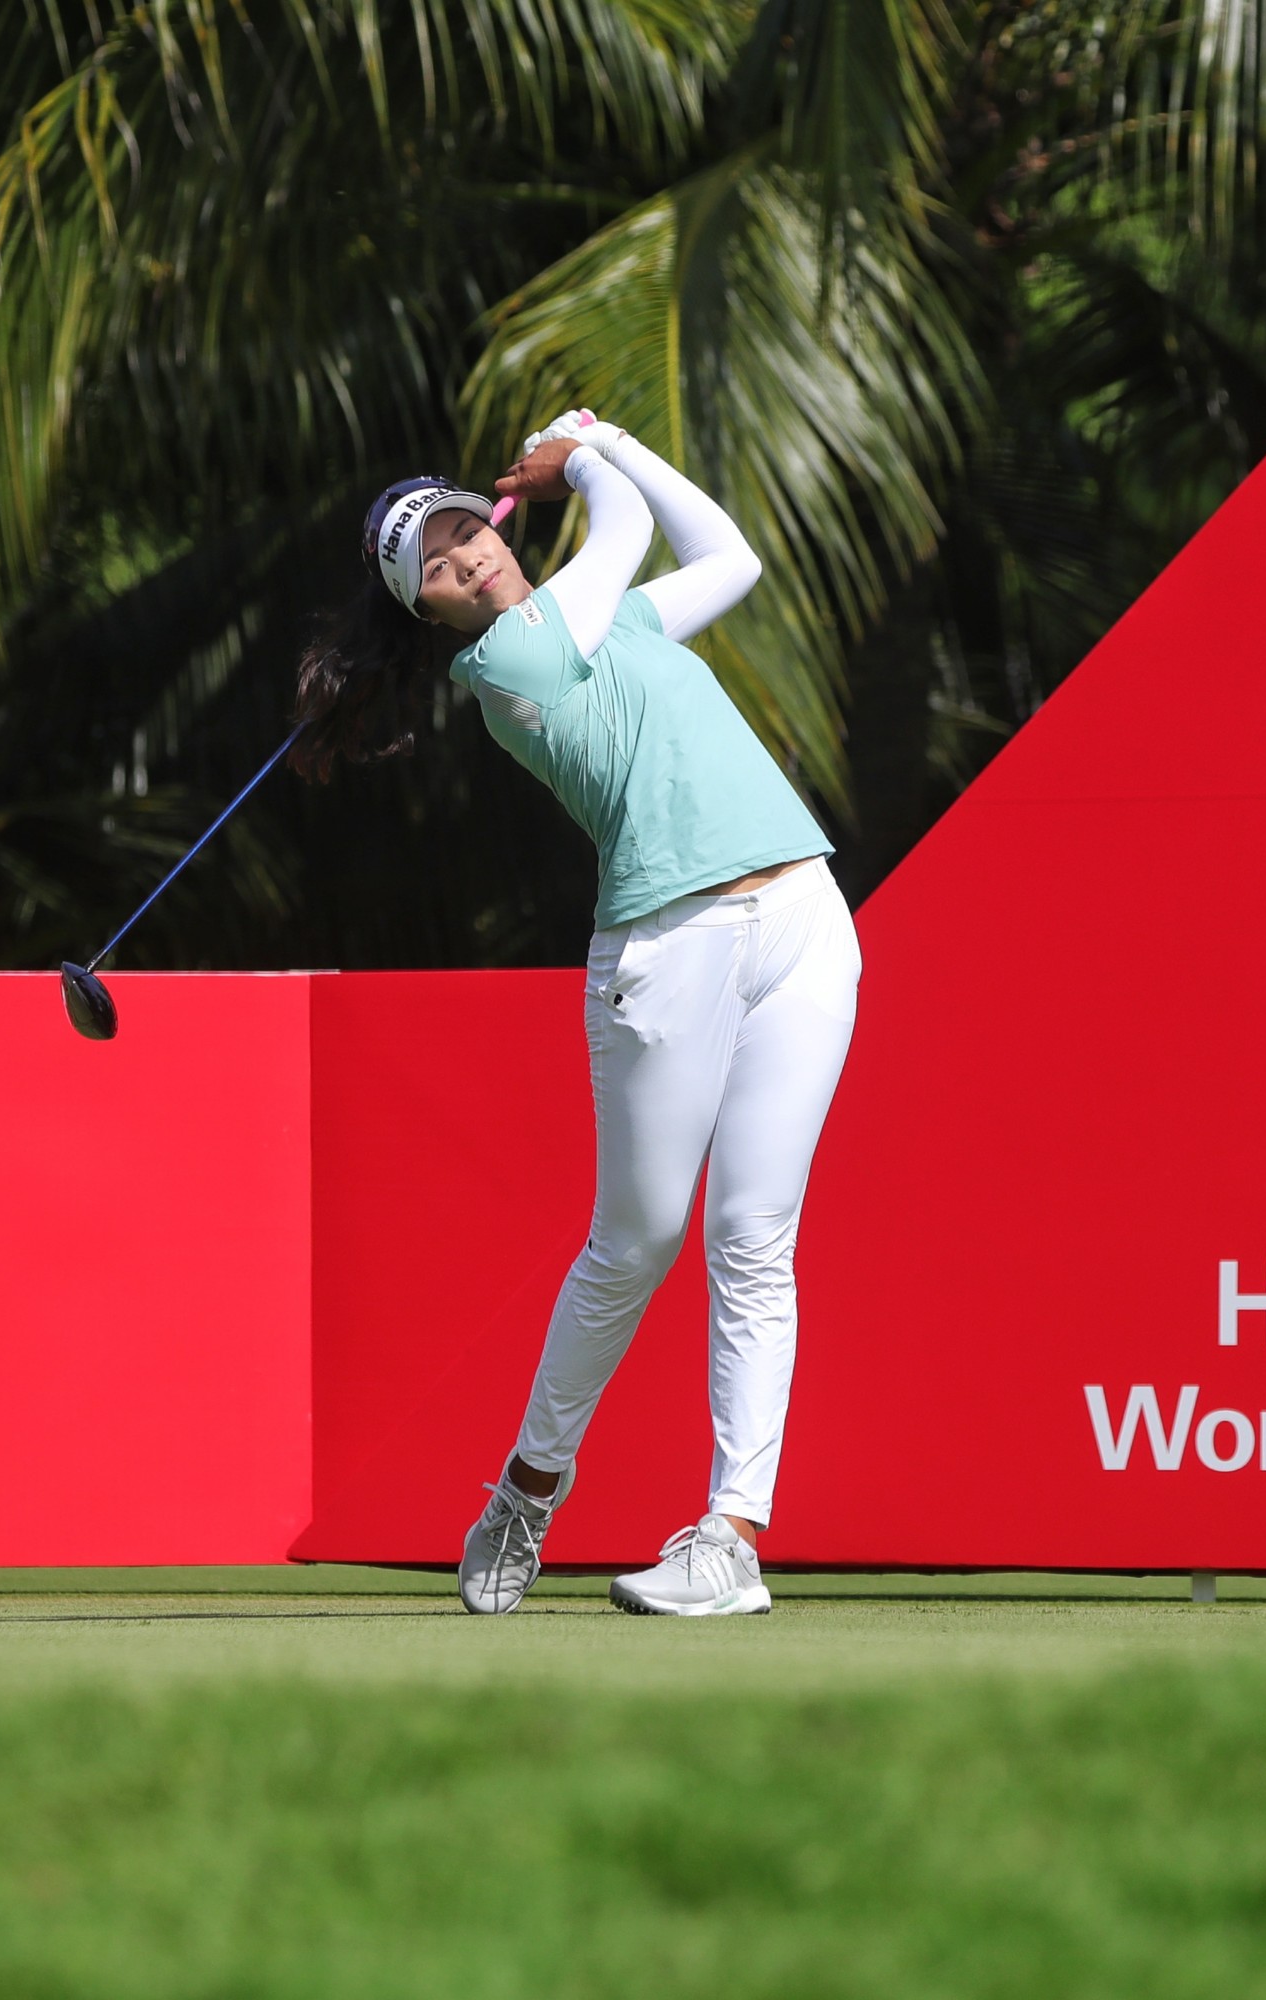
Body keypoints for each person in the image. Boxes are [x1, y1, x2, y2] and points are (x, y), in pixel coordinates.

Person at [290, 414, 860, 1616]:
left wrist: (616, 440)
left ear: (493, 521)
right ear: (429, 612)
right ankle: (530, 1486)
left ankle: (731, 1537)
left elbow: (732, 558)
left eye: (463, 529)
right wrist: (587, 460)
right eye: (435, 567)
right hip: (667, 950)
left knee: (755, 1239)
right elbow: (629, 525)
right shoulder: (508, 668)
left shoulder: (613, 623)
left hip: (805, 918)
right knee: (636, 1244)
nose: (464, 558)